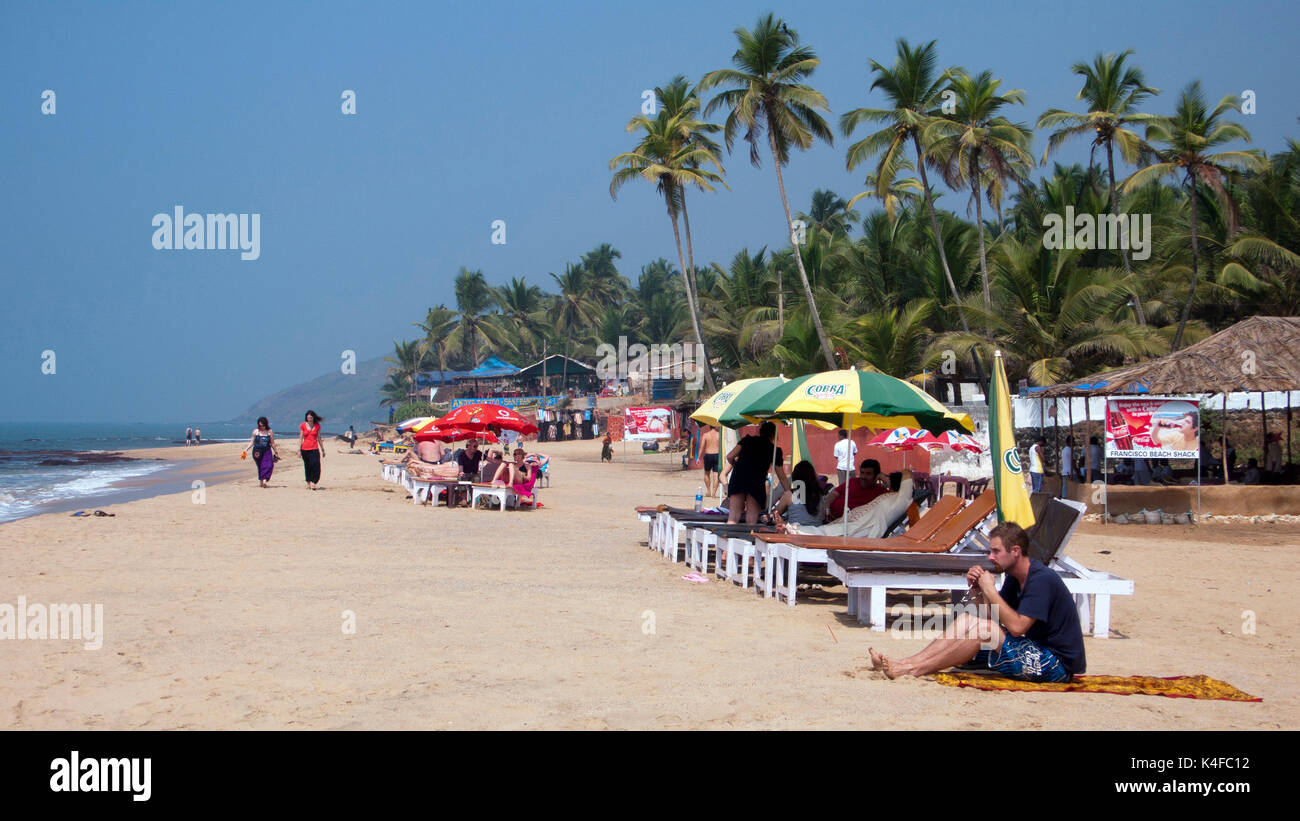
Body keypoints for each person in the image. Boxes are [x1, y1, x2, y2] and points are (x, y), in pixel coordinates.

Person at [869, 522, 1086, 682]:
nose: (990, 557)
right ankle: (906, 663)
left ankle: (913, 670)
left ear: (1016, 551)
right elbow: (992, 620)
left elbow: (1018, 628)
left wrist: (990, 590)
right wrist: (978, 592)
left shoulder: (1040, 580)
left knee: (984, 631)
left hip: (1055, 665)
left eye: (996, 551)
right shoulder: (1014, 575)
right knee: (966, 620)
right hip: (1030, 649)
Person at [724, 421, 788, 525]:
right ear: (773, 435)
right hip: (756, 482)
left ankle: (727, 538)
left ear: (761, 432)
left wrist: (736, 466)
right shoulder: (774, 450)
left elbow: (730, 456)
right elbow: (781, 476)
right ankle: (750, 538)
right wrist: (788, 490)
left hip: (738, 478)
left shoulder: (747, 440)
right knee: (752, 518)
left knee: (733, 517)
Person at [822, 459, 887, 521]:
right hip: (831, 519)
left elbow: (896, 494)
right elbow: (834, 493)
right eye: (862, 473)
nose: (863, 477)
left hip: (852, 525)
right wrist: (826, 506)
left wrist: (884, 478)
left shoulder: (881, 492)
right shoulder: (853, 482)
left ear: (876, 476)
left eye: (868, 474)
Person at [773, 460, 824, 528]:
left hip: (795, 534)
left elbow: (775, 515)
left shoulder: (789, 495)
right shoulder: (820, 495)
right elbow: (823, 516)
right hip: (816, 534)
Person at [241, 416, 280, 488]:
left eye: (262, 425)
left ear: (265, 425)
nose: (261, 427)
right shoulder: (255, 432)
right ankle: (261, 481)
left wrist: (276, 452)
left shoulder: (269, 432)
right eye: (259, 425)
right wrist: (245, 450)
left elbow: (272, 443)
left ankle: (264, 481)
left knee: (269, 465)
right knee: (261, 466)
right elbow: (251, 442)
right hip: (257, 452)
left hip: (267, 451)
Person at [299, 410, 325, 490]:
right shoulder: (303, 425)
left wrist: (323, 449)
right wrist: (299, 450)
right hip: (305, 449)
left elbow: (319, 438)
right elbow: (300, 438)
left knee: (316, 465)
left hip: (314, 448)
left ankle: (314, 482)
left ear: (313, 418)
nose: (309, 419)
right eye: (308, 417)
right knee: (308, 466)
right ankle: (308, 482)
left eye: (310, 417)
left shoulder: (317, 426)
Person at [700, 424, 721, 497]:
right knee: (716, 475)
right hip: (717, 455)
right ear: (715, 426)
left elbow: (701, 447)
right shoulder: (719, 435)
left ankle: (708, 491)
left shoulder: (705, 435)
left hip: (708, 455)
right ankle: (714, 493)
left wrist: (698, 457)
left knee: (706, 473)